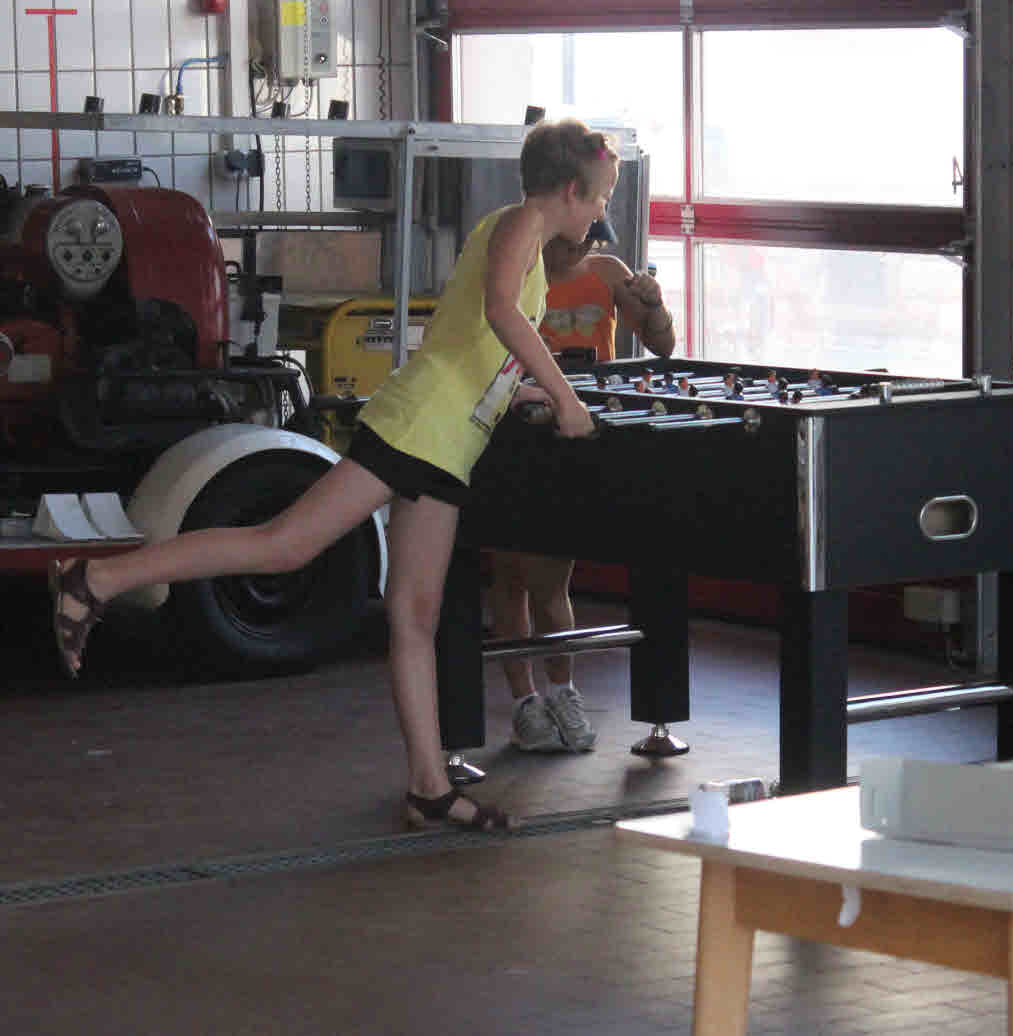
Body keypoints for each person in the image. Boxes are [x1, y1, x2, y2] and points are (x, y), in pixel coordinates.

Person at [47, 118, 618, 827]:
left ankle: (428, 787)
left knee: (414, 616)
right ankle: (97, 579)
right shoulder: (521, 225)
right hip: (417, 428)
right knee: (284, 545)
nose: (601, 213)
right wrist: (565, 395)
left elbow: (474, 338)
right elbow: (501, 312)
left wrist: (522, 389)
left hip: (450, 444)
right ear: (570, 191)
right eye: (600, 198)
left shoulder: (522, 235)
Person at [494, 220, 676, 752]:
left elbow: (663, 345)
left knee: (550, 576)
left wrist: (655, 305)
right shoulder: (514, 273)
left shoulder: (608, 273)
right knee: (508, 573)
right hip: (514, 426)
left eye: (593, 238)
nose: (585, 246)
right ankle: (526, 703)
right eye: (577, 237)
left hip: (578, 431)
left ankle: (561, 691)